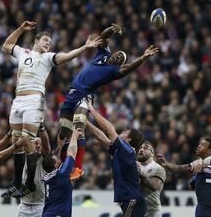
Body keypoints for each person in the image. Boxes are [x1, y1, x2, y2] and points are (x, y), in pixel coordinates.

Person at [1, 21, 101, 198]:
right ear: (36, 41)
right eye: (46, 40)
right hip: (18, 100)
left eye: (50, 42)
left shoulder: (48, 58)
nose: (48, 44)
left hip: (34, 100)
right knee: (16, 142)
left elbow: (68, 56)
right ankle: (17, 182)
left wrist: (84, 47)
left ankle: (29, 183)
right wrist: (21, 29)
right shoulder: (23, 53)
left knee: (28, 139)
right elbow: (7, 45)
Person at [58, 23, 158, 181]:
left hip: (85, 96)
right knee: (64, 131)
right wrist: (112, 30)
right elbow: (103, 37)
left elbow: (130, 67)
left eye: (120, 59)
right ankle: (63, 163)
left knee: (79, 127)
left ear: (120, 64)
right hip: (71, 94)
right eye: (118, 54)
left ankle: (77, 167)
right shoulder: (103, 54)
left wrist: (143, 58)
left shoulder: (114, 72)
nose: (118, 57)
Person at [86, 101, 154, 217]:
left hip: (132, 200)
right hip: (132, 200)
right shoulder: (120, 150)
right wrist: (85, 122)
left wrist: (92, 110)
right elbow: (101, 137)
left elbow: (108, 129)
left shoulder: (126, 149)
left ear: (128, 139)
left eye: (124, 132)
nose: (121, 132)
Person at [39, 128, 83, 217]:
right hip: (56, 216)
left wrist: (59, 146)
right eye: (57, 160)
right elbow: (72, 152)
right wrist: (75, 135)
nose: (59, 159)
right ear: (56, 165)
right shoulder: (60, 175)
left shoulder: (47, 177)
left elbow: (50, 161)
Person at [11, 125, 51, 217]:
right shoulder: (25, 158)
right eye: (35, 143)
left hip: (40, 207)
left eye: (39, 143)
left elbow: (46, 146)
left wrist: (42, 130)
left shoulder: (44, 159)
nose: (38, 145)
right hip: (24, 206)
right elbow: (17, 149)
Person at [137, 141, 167, 217]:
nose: (141, 150)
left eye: (146, 148)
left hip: (152, 210)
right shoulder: (133, 165)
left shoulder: (158, 169)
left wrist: (141, 174)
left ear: (152, 154)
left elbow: (155, 186)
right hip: (136, 208)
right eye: (140, 148)